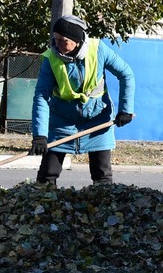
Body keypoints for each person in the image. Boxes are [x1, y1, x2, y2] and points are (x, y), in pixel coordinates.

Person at [30, 14, 136, 186]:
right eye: (55, 39)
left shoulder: (98, 49)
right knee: (47, 176)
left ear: (76, 40)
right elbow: (42, 96)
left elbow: (126, 74)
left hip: (98, 122)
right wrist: (40, 135)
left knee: (102, 177)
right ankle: (44, 210)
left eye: (62, 40)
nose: (57, 44)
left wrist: (126, 109)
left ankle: (103, 210)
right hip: (61, 124)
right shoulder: (51, 58)